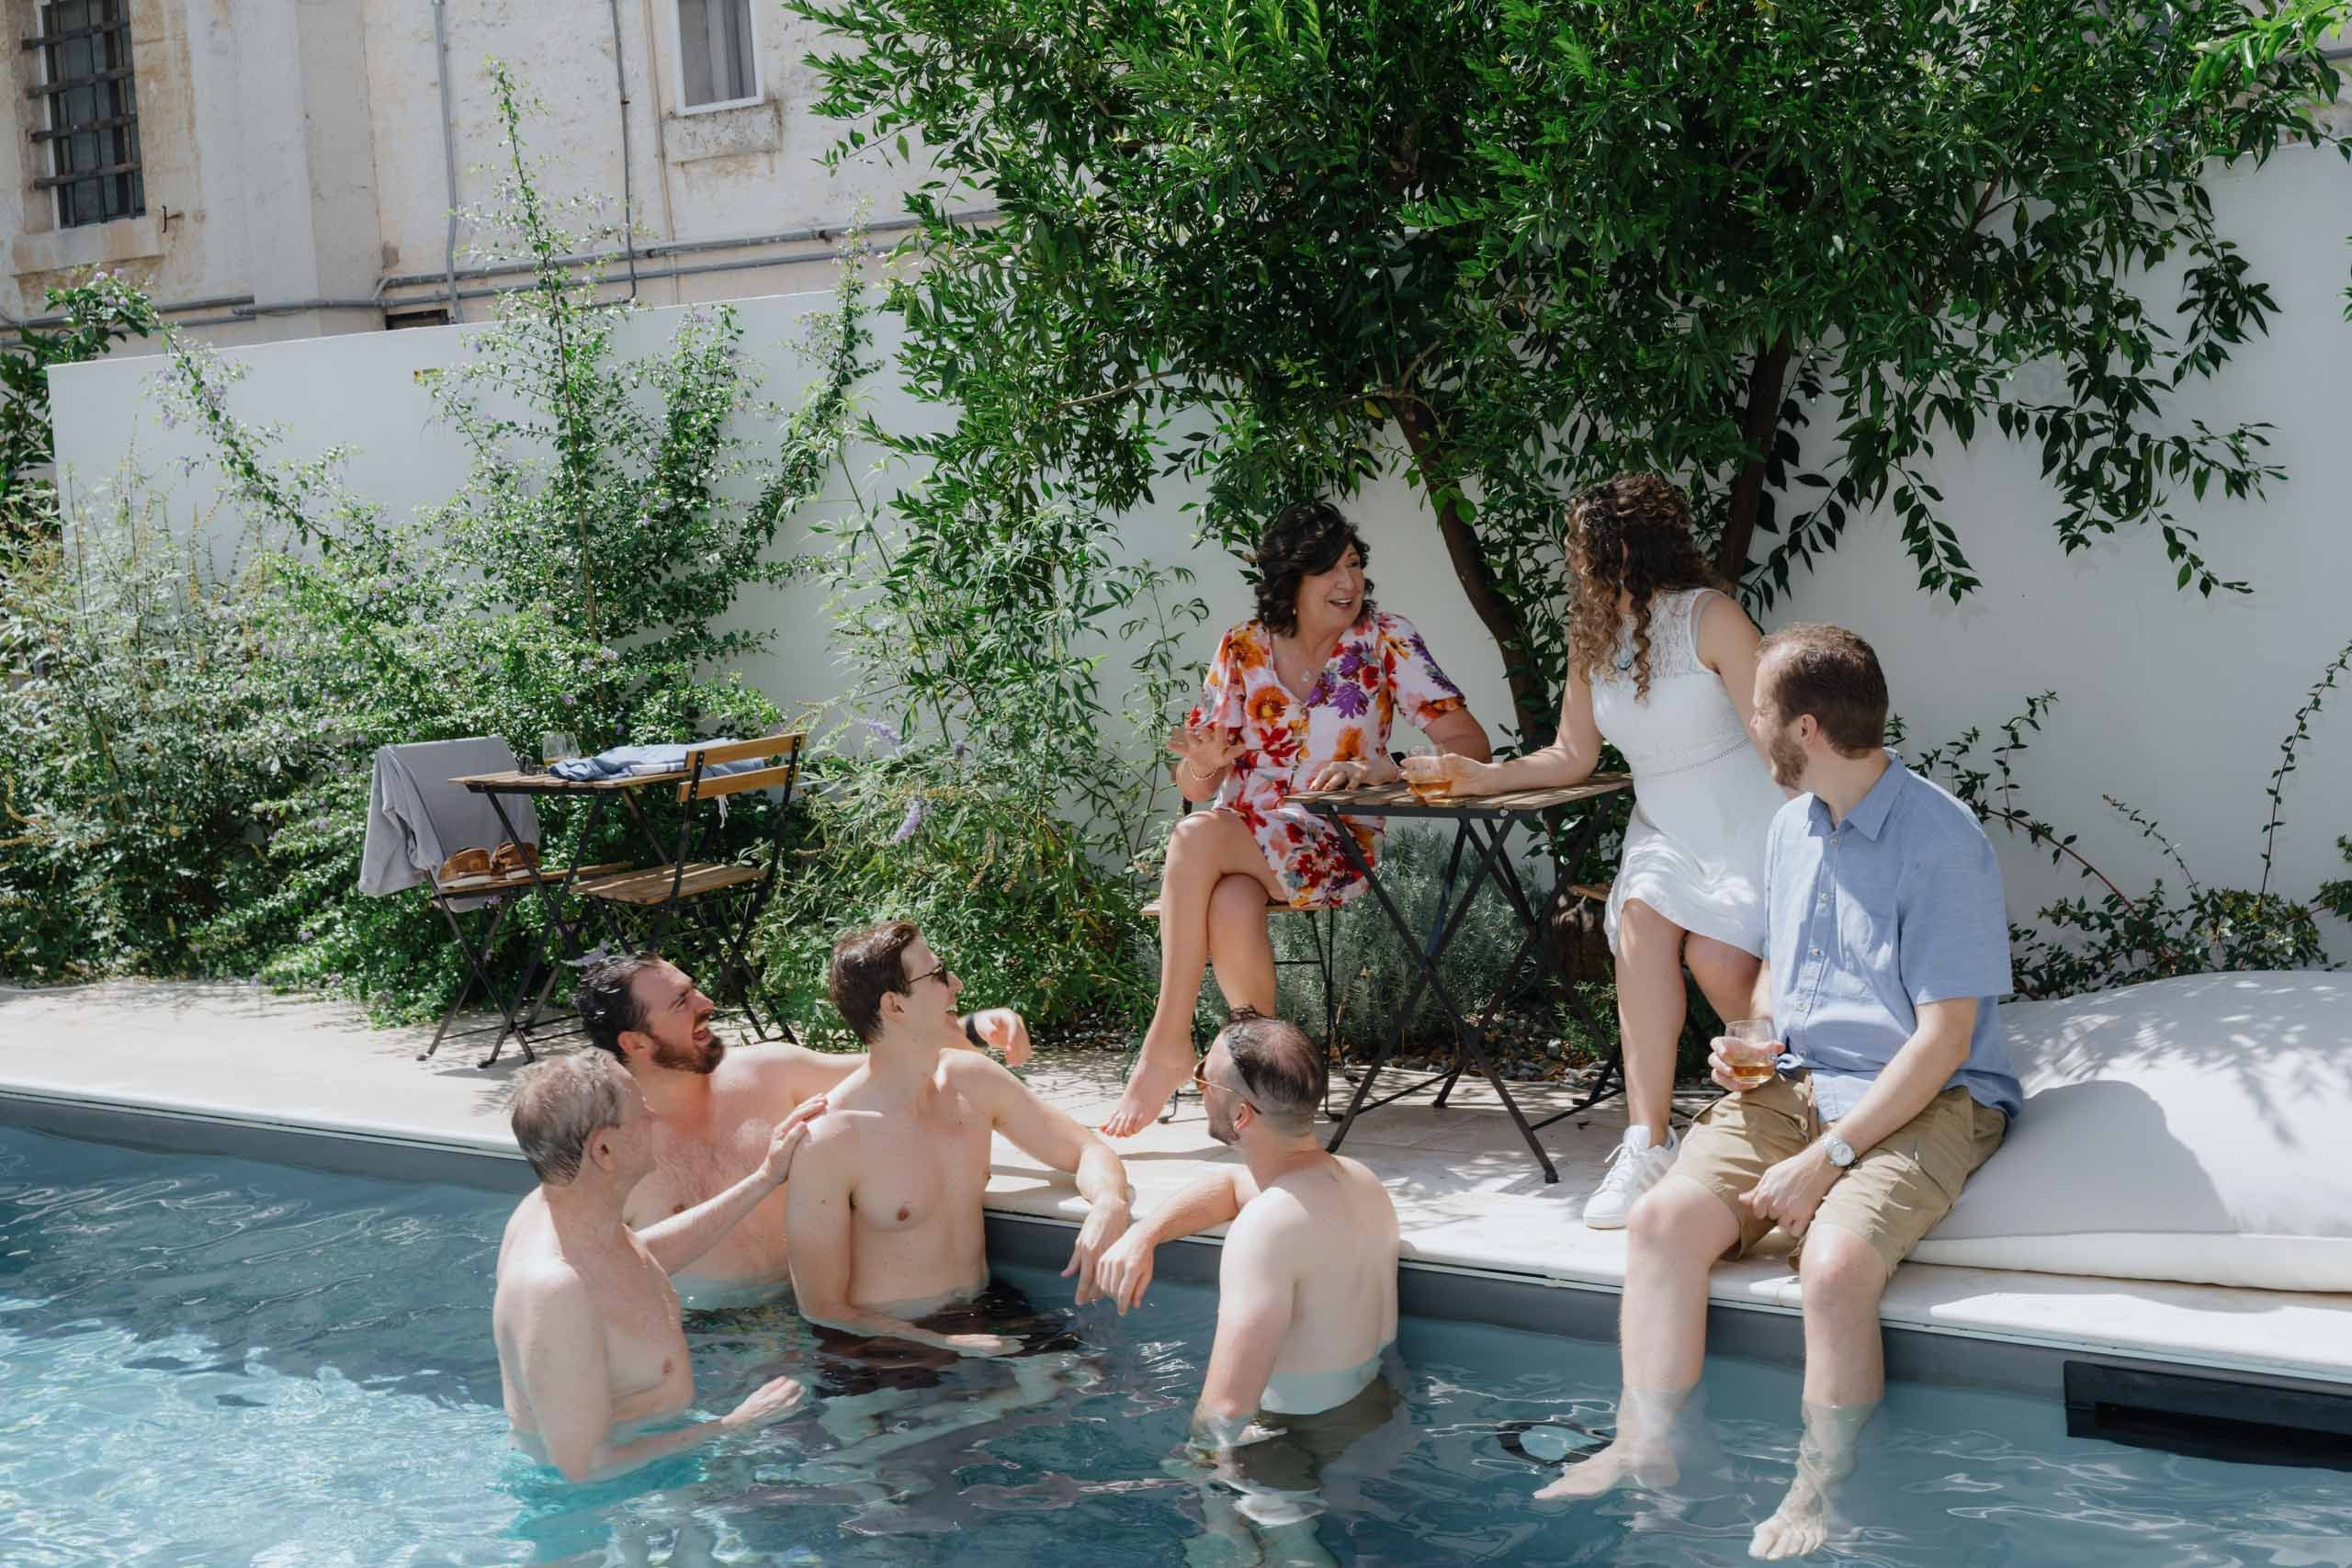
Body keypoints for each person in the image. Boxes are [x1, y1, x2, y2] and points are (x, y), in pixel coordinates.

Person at [1532, 624, 2021, 1562]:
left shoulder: (1940, 839)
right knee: (1658, 1225)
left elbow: (1945, 1039)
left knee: (1833, 1269)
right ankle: (1645, 1448)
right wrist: (1749, 1041)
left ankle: (1819, 1489)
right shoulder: (1792, 827)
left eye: (1754, 708)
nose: (1744, 723)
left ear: (1800, 727)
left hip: (1929, 1094)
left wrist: (1827, 1159)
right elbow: (1777, 976)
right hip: (1795, 1083)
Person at [1401, 474, 1786, 1227]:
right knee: (1639, 914)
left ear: (1623, 550)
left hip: (1746, 822)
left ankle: (1798, 1104)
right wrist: (1482, 776)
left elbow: (1776, 742)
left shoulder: (1715, 619)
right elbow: (1572, 754)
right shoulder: (1595, 640)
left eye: (1582, 548)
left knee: (1718, 961)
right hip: (1668, 830)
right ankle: (1647, 1138)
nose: (1575, 563)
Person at [1102, 500, 1493, 1136]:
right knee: (1228, 897)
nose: (1349, 583)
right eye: (1329, 570)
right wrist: (1202, 764)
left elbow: (1472, 744)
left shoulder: (1384, 639)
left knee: (1195, 835)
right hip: (1236, 845)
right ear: (1292, 579)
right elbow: (1195, 784)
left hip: (1331, 839)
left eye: (1355, 565)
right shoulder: (1242, 647)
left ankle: (1168, 1043)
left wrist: (1386, 767)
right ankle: (1260, 1082)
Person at [1095, 1010, 1406, 1560]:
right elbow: (1236, 1184)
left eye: (1200, 1078)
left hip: (1289, 1441)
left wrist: (1201, 1488)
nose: (1196, 1087)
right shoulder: (1359, 1180)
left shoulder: (1265, 1229)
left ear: (1240, 1114)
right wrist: (1145, 1232)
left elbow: (1228, 1407)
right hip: (1374, 1409)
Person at [571, 951, 1033, 1304]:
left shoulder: (769, 1070)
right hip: (710, 1343)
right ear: (636, 1043)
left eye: (693, 988)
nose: (707, 1003)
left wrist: (976, 1029)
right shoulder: (610, 1151)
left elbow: (894, 1066)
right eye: (681, 1002)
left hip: (818, 1316)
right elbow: (591, 1272)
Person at [786, 920, 1135, 1365]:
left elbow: (1088, 1149)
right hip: (887, 1351)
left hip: (985, 1314)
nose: (957, 984)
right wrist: (942, 1344)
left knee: (1103, 1377)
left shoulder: (973, 1082)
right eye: (937, 975)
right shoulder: (829, 1141)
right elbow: (822, 1308)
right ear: (894, 1006)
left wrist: (1109, 1203)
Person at [491, 1051, 828, 1482]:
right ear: (605, 1150)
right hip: (603, 1519)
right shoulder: (553, 1290)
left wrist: (764, 1178)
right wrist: (733, 1426)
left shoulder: (566, 1215)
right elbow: (582, 1469)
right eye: (640, 1111)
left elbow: (638, 1260)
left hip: (653, 1482)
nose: (654, 1116)